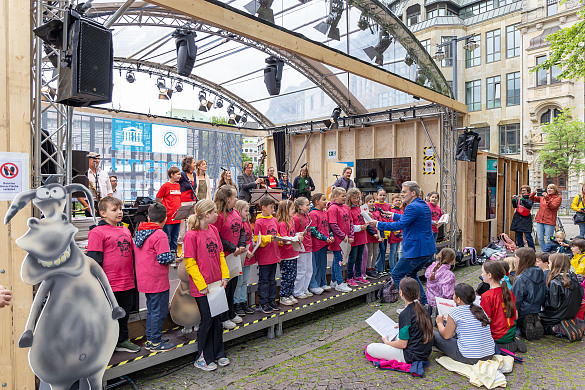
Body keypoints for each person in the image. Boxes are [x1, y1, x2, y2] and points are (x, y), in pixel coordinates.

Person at [370, 181, 436, 307]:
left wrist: (378, 224)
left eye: (404, 191)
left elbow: (400, 225)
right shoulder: (422, 204)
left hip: (416, 250)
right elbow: (409, 218)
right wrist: (393, 215)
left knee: (396, 273)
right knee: (411, 273)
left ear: (413, 193)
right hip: (426, 249)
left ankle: (412, 304)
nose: (401, 194)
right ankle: (423, 302)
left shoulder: (412, 206)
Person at [87, 196, 139, 353]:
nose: (119, 212)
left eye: (120, 209)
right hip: (109, 283)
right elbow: (94, 260)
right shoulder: (97, 232)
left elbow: (131, 255)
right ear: (102, 213)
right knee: (106, 315)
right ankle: (102, 344)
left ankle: (122, 340)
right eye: (114, 210)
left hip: (127, 281)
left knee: (124, 312)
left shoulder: (125, 229)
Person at [183, 200, 230, 371]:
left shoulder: (214, 230)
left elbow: (220, 255)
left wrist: (225, 275)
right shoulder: (191, 235)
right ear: (206, 214)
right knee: (208, 319)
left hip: (217, 283)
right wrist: (202, 285)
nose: (218, 215)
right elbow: (190, 263)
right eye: (215, 212)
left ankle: (218, 353)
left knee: (217, 320)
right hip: (202, 287)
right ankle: (202, 356)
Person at [134, 203, 177, 352]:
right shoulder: (160, 234)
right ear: (165, 219)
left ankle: (151, 337)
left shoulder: (140, 232)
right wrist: (174, 257)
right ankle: (155, 342)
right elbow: (163, 258)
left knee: (152, 310)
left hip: (145, 279)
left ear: (148, 217)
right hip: (157, 280)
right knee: (159, 311)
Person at [366, 277, 433, 364]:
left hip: (411, 355)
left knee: (370, 348)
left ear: (401, 293)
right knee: (396, 335)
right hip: (424, 352)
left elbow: (402, 344)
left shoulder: (405, 314)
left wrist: (386, 343)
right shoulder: (423, 309)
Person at [434, 283, 495, 364]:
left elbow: (446, 335)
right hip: (489, 354)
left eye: (454, 294)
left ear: (458, 299)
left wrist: (439, 323)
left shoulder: (455, 312)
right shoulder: (480, 309)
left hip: (469, 357)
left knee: (433, 334)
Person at [212, 185, 246, 330]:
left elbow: (242, 229)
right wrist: (233, 248)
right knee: (224, 288)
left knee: (233, 286)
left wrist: (241, 245)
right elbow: (217, 237)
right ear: (227, 199)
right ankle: (223, 317)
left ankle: (231, 313)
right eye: (235, 197)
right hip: (225, 256)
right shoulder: (219, 215)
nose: (237, 199)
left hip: (235, 255)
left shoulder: (235, 212)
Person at [480, 261, 526, 353]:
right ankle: (513, 340)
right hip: (510, 332)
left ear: (489, 275)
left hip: (496, 336)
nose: (481, 274)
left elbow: (486, 320)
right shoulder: (509, 292)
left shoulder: (487, 295)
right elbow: (516, 316)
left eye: (482, 272)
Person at [540, 254, 584, 334]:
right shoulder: (574, 278)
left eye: (549, 263)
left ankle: (556, 328)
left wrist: (543, 302)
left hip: (558, 314)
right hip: (571, 313)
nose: (548, 265)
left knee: (538, 318)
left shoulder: (555, 282)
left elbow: (553, 305)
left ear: (555, 264)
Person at [254, 197, 281, 313]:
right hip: (265, 256)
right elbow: (256, 239)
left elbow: (277, 233)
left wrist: (281, 240)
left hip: (274, 255)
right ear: (263, 207)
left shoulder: (274, 220)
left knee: (272, 280)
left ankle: (271, 300)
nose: (272, 209)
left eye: (273, 207)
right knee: (264, 280)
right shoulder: (259, 221)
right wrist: (269, 238)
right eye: (271, 207)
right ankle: (263, 303)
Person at [512, 247, 546, 340]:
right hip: (536, 307)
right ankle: (533, 319)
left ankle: (521, 326)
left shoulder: (521, 278)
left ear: (522, 259)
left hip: (524, 309)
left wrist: (515, 311)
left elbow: (516, 298)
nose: (515, 260)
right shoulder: (540, 272)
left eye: (516, 258)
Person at [277, 199, 304, 306]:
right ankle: (284, 296)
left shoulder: (291, 221)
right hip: (286, 255)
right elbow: (284, 239)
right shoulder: (282, 224)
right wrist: (296, 238)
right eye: (292, 209)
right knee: (287, 276)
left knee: (293, 275)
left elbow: (291, 235)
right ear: (285, 210)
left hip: (293, 253)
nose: (294, 210)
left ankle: (289, 293)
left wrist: (298, 234)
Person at [327, 187, 354, 292]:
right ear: (335, 197)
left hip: (345, 239)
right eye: (342, 196)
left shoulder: (346, 207)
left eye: (345, 195)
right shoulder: (333, 208)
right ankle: (339, 282)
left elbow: (351, 221)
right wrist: (343, 235)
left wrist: (351, 235)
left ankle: (333, 280)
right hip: (338, 240)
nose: (345, 197)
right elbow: (333, 224)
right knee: (338, 260)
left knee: (337, 259)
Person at [233, 200, 256, 316]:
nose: (248, 213)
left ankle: (243, 301)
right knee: (239, 281)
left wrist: (251, 249)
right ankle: (236, 303)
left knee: (245, 280)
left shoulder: (247, 223)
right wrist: (245, 251)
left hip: (248, 257)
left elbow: (249, 238)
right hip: (240, 256)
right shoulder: (238, 224)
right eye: (246, 211)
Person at [308, 193, 333, 295]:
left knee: (323, 264)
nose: (326, 201)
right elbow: (313, 230)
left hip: (324, 243)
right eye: (323, 199)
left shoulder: (325, 212)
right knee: (316, 265)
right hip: (317, 244)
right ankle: (315, 284)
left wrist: (330, 235)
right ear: (317, 202)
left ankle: (323, 282)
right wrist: (324, 238)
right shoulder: (313, 214)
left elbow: (328, 227)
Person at [346, 188, 370, 286]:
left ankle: (358, 275)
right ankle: (350, 277)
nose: (356, 200)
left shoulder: (361, 208)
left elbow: (364, 219)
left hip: (362, 237)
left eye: (357, 198)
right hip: (355, 238)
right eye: (354, 198)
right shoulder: (349, 210)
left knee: (359, 258)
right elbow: (350, 226)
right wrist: (360, 227)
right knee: (352, 258)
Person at [76, 152, 112, 217]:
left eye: (98, 159)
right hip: (91, 203)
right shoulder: (83, 173)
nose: (97, 161)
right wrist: (87, 207)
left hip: (104, 203)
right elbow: (79, 194)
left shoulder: (104, 173)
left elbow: (109, 190)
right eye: (95, 159)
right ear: (88, 160)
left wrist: (109, 204)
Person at [156, 167, 182, 254]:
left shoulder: (178, 186)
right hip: (168, 217)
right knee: (168, 237)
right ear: (172, 175)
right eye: (178, 174)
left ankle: (174, 254)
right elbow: (158, 198)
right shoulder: (165, 186)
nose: (180, 176)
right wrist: (164, 208)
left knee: (175, 237)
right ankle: (166, 254)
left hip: (177, 217)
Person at [293, 197, 314, 299]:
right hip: (302, 248)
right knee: (301, 270)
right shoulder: (296, 218)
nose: (309, 206)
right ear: (300, 207)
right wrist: (299, 234)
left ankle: (305, 288)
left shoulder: (307, 216)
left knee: (309, 269)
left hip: (309, 246)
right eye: (307, 205)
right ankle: (298, 291)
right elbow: (293, 233)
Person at [529, 184, 562, 251]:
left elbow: (552, 206)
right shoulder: (542, 197)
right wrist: (534, 193)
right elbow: (531, 198)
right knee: (540, 238)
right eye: (548, 188)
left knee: (549, 238)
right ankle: (545, 252)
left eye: (551, 188)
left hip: (549, 220)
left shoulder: (558, 198)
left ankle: (550, 252)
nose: (549, 190)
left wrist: (547, 198)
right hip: (540, 219)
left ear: (555, 190)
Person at [425, 248, 456, 315]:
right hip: (441, 305)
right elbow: (447, 295)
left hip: (430, 301)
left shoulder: (430, 268)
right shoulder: (449, 275)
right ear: (452, 260)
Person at [177, 156, 197, 258]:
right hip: (183, 202)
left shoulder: (194, 174)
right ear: (189, 164)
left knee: (191, 225)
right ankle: (179, 247)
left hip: (193, 201)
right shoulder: (182, 175)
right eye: (194, 162)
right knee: (182, 227)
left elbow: (194, 187)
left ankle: (189, 247)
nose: (195, 164)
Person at [510, 185, 535, 250]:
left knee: (528, 236)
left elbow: (529, 206)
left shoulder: (530, 197)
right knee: (518, 235)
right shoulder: (520, 197)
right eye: (522, 190)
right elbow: (515, 206)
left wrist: (522, 199)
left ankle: (532, 250)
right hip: (518, 217)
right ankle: (521, 249)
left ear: (528, 191)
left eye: (524, 190)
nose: (522, 192)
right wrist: (513, 200)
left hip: (526, 218)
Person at [374, 189, 391, 276]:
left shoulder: (388, 205)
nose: (382, 197)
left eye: (384, 195)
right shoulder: (375, 205)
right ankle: (378, 268)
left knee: (384, 249)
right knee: (381, 249)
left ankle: (382, 268)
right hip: (379, 228)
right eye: (380, 195)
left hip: (386, 228)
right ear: (377, 196)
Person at [364, 195, 381, 278]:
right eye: (370, 201)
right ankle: (368, 268)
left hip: (377, 235)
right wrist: (373, 234)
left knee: (375, 253)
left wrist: (381, 235)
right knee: (370, 252)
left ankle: (373, 267)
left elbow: (380, 223)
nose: (372, 203)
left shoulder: (377, 212)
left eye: (373, 201)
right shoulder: (366, 213)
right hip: (371, 235)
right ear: (366, 203)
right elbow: (367, 225)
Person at [387, 194, 404, 271]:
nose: (398, 202)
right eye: (396, 200)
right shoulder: (392, 211)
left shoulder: (401, 211)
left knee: (396, 251)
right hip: (394, 235)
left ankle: (395, 265)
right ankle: (392, 266)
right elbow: (392, 223)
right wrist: (398, 234)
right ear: (392, 201)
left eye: (399, 200)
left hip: (400, 234)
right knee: (392, 251)